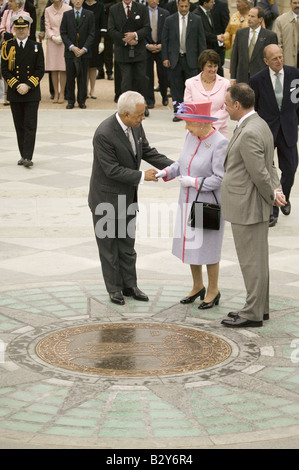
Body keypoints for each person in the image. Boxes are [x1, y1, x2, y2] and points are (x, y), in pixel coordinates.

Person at [88, 91, 174, 306]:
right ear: (125, 114)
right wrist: (142, 176)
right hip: (105, 199)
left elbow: (146, 151)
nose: (143, 118)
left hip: (127, 197)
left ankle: (130, 285)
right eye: (139, 115)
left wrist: (175, 168)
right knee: (109, 247)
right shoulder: (104, 133)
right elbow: (112, 170)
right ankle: (114, 289)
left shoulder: (135, 125)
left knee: (127, 245)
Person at [221, 83, 285, 328]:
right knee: (258, 260)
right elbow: (270, 164)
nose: (224, 108)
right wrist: (276, 190)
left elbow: (259, 172)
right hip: (251, 203)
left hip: (247, 206)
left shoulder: (248, 131)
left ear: (237, 105)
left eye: (227, 104)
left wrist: (272, 194)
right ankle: (260, 308)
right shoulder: (260, 124)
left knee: (251, 262)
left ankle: (252, 313)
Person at [156, 101, 228, 308]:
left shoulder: (219, 143)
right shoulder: (191, 136)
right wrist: (166, 172)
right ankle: (198, 286)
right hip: (187, 201)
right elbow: (182, 163)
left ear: (201, 123)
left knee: (209, 248)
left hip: (207, 204)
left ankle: (213, 290)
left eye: (189, 123)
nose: (186, 128)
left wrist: (195, 182)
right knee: (192, 245)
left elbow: (220, 178)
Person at [250, 44, 299, 227]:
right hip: (267, 131)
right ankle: (273, 209)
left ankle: (283, 196)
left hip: (288, 129)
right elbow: (253, 106)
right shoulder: (257, 80)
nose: (279, 61)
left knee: (291, 169)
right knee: (268, 173)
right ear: (266, 61)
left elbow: (297, 101)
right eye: (274, 58)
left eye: (280, 57)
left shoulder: (295, 75)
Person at [1, 13, 44, 167]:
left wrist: (28, 85)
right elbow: (4, 70)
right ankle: (22, 154)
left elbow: (40, 70)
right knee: (19, 125)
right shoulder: (8, 47)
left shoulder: (36, 47)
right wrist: (16, 85)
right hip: (15, 91)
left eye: (23, 28)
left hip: (31, 92)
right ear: (14, 29)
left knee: (30, 125)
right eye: (18, 28)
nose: (20, 31)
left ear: (28, 29)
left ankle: (28, 156)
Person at [161, 0, 206, 121]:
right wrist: (165, 57)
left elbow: (201, 41)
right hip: (175, 59)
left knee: (193, 87)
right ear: (177, 6)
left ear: (189, 6)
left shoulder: (196, 19)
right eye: (182, 6)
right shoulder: (170, 20)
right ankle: (179, 112)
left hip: (191, 59)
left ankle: (192, 112)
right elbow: (164, 40)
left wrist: (202, 59)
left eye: (186, 6)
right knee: (176, 87)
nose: (184, 9)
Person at [107, 0, 151, 114]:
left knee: (141, 79)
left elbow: (147, 28)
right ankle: (126, 109)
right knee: (126, 81)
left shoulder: (142, 8)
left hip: (139, 51)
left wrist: (135, 36)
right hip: (122, 51)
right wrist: (126, 40)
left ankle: (142, 107)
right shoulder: (114, 9)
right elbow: (111, 30)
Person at [184, 49, 230, 137]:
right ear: (202, 66)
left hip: (219, 130)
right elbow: (188, 107)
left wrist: (211, 124)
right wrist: (201, 125)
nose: (213, 69)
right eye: (209, 66)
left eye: (215, 66)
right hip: (196, 130)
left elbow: (226, 107)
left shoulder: (225, 83)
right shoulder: (190, 83)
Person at [60, 0, 95, 109]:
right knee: (70, 77)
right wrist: (72, 47)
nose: (78, 1)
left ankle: (82, 100)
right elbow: (63, 32)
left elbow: (92, 33)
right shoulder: (66, 15)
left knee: (83, 77)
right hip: (70, 52)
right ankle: (70, 100)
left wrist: (84, 48)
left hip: (84, 53)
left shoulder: (89, 15)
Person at [230, 6, 278, 84]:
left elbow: (273, 59)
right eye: (248, 15)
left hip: (261, 78)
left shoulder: (270, 36)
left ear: (260, 19)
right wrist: (233, 78)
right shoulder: (240, 33)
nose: (249, 18)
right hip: (242, 78)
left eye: (252, 16)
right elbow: (235, 56)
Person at [45, 0, 72, 104]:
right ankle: (55, 93)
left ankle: (62, 93)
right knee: (53, 68)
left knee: (62, 68)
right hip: (52, 41)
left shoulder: (68, 8)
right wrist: (52, 36)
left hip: (64, 40)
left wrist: (62, 36)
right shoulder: (48, 10)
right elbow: (47, 25)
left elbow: (70, 24)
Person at [145, 0, 169, 109]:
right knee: (148, 75)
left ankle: (164, 96)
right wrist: (147, 45)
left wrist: (162, 45)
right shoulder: (142, 12)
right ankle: (150, 100)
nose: (153, 1)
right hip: (147, 49)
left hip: (161, 48)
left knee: (163, 74)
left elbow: (168, 32)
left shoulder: (165, 13)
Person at [193, 0, 225, 76]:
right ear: (205, 3)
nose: (214, 3)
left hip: (212, 48)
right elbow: (202, 33)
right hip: (204, 50)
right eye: (211, 1)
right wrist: (216, 37)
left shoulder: (208, 13)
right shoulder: (197, 15)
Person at [83, 0, 106, 99]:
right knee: (85, 66)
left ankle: (92, 90)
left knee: (93, 66)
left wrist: (102, 41)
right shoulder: (82, 4)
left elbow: (103, 24)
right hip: (83, 39)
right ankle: (85, 89)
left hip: (95, 39)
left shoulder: (100, 6)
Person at [272, 0, 299, 68]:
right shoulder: (281, 20)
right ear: (290, 4)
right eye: (295, 3)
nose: (297, 5)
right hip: (288, 62)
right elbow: (277, 43)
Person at [210, 0, 230, 76]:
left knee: (218, 69)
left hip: (217, 46)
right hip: (204, 45)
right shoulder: (197, 6)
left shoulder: (221, 6)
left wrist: (223, 41)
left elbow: (226, 27)